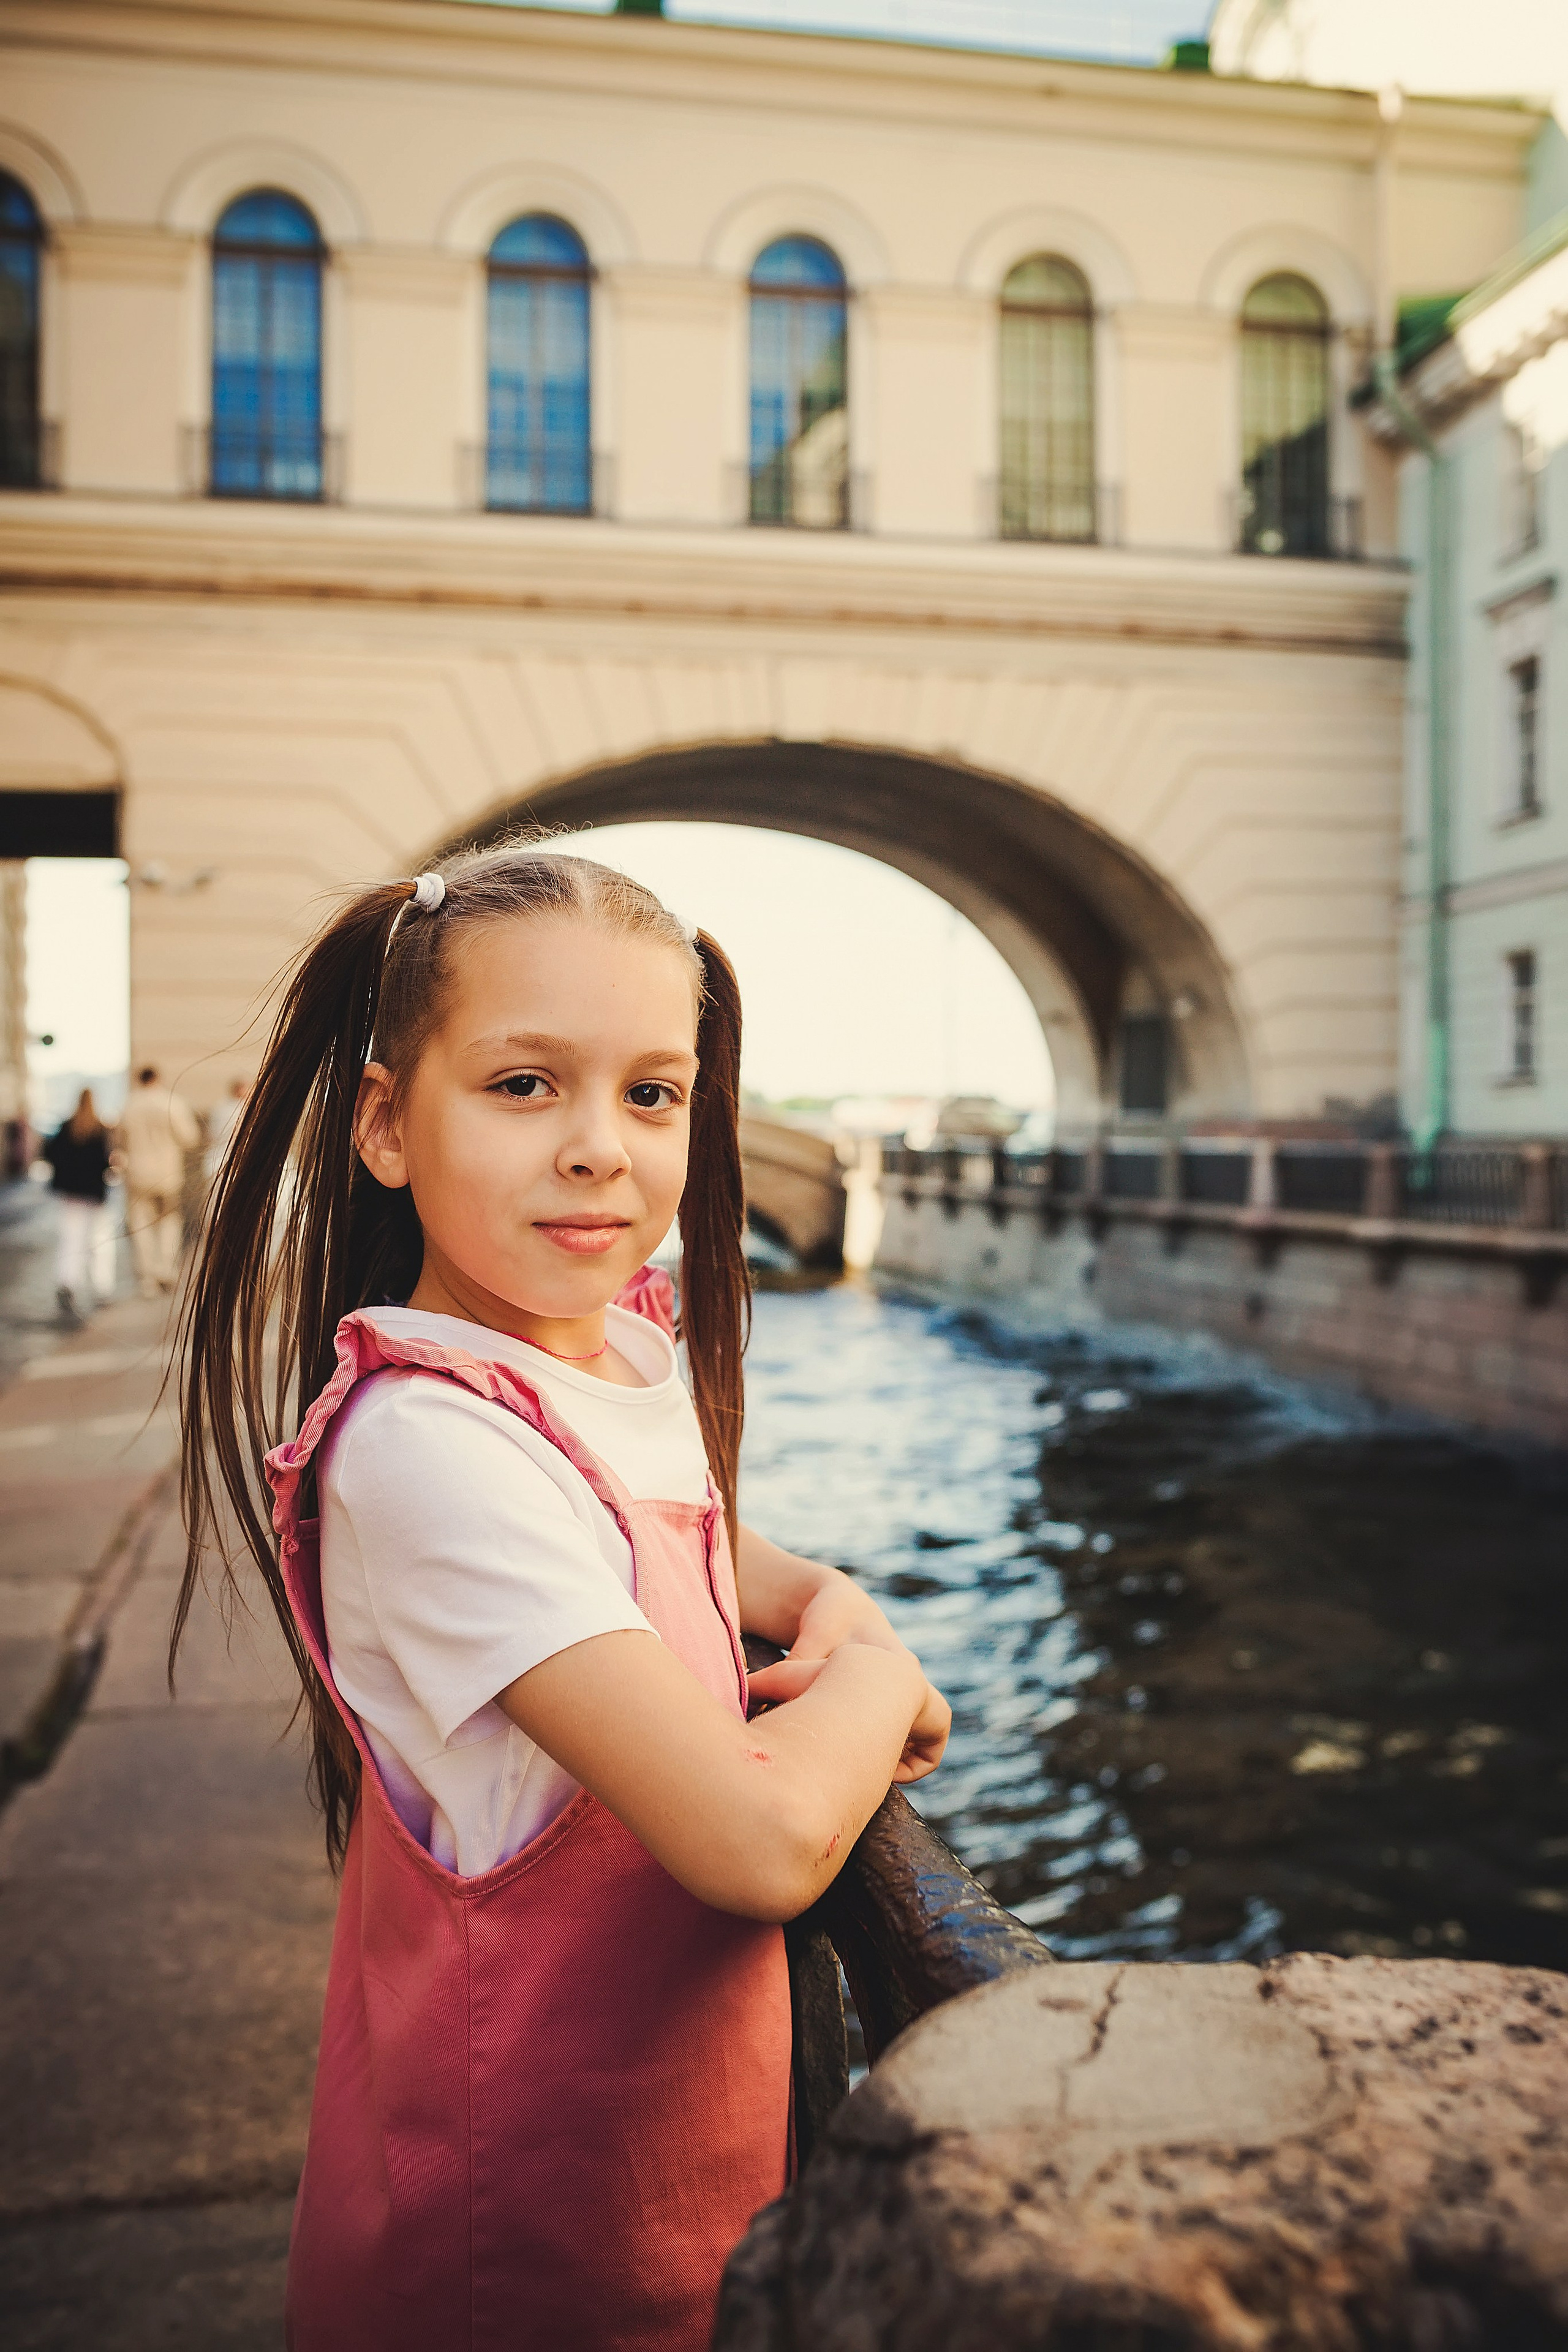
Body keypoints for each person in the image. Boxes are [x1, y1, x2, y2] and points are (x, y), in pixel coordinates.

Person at [174, 848, 949, 2352]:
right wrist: (883, 1680)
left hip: (674, 2192)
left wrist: (822, 1592)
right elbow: (761, 1835)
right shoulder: (426, 1445)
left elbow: (693, 1546)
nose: (601, 1147)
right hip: (523, 2248)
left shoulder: (605, 1355)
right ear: (387, 1124)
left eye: (650, 1093)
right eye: (526, 1085)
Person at [118, 1064, 200, 1295]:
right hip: (167, 1174)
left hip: (137, 1174)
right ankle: (166, 1269)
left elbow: (119, 1141)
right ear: (158, 1078)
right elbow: (190, 1138)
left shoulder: (129, 1105)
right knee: (169, 1222)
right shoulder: (171, 1102)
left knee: (141, 1225)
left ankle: (148, 1277)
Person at [43, 1087, 116, 1318]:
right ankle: (103, 1288)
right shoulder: (101, 1129)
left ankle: (67, 1283)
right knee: (100, 1242)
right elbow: (106, 1162)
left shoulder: (66, 1127)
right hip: (94, 1194)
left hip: (71, 1194)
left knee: (70, 1240)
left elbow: (50, 1153)